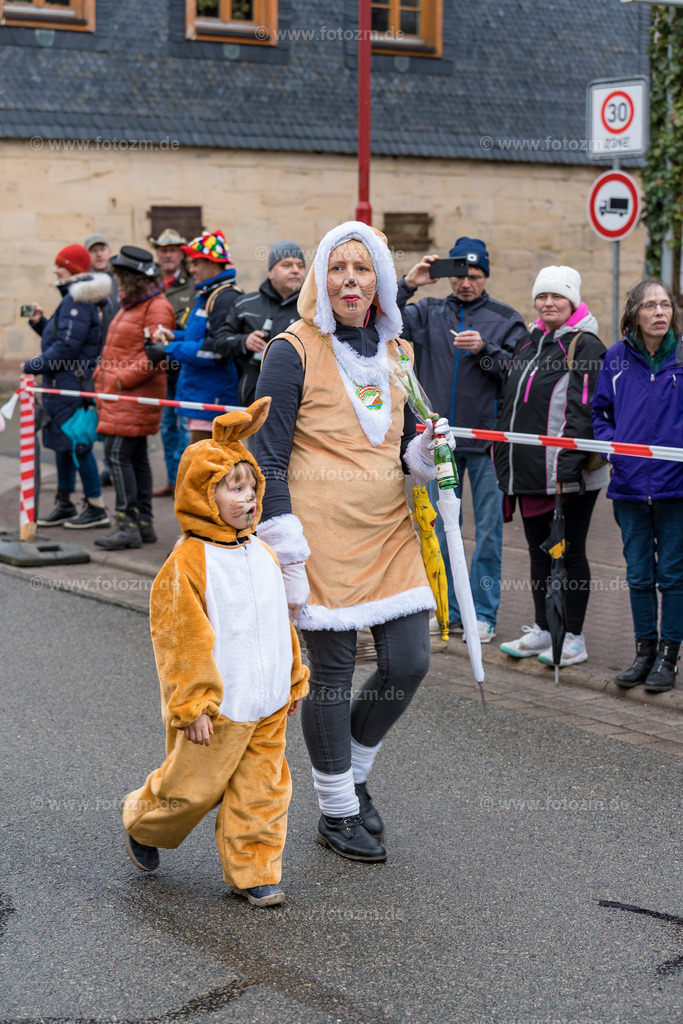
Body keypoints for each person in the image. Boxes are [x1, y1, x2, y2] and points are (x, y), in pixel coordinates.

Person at [254, 221, 454, 863]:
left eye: (362, 269)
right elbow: (267, 454)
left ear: (381, 281)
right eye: (337, 267)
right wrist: (284, 545)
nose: (350, 279)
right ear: (320, 277)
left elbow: (398, 446)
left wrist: (424, 452)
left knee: (409, 663)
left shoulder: (400, 353)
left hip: (391, 530)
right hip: (320, 538)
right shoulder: (291, 351)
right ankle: (337, 808)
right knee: (333, 677)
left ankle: (355, 773)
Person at [122, 399, 309, 908]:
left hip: (268, 703)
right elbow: (179, 641)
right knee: (192, 792)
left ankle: (255, 871)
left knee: (264, 792)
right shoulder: (188, 563)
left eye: (251, 487)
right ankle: (144, 823)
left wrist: (294, 679)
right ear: (203, 494)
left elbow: (279, 624)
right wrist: (192, 706)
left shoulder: (263, 551)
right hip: (218, 709)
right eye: (233, 487)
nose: (246, 498)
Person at [398, 237, 528, 643]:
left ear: (485, 275)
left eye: (474, 276)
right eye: (458, 276)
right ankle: (446, 610)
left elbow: (522, 375)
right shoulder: (429, 312)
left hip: (487, 444)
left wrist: (486, 350)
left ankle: (483, 615)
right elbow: (382, 320)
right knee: (437, 527)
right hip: (439, 442)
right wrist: (408, 283)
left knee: (488, 531)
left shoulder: (506, 319)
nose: (465, 284)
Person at [494, 265, 608, 667]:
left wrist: (567, 470)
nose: (548, 303)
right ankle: (545, 627)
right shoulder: (531, 344)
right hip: (529, 473)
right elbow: (511, 406)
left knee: (569, 553)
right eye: (542, 296)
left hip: (568, 476)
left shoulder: (586, 346)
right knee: (539, 554)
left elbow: (585, 412)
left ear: (573, 301)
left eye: (557, 296)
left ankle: (573, 636)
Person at [592, 277, 683, 693]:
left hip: (675, 488)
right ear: (635, 313)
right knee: (639, 575)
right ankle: (644, 653)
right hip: (629, 486)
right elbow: (600, 414)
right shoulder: (615, 359)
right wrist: (615, 451)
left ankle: (669, 657)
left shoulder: (681, 357)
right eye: (651, 306)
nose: (660, 312)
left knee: (674, 576)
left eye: (666, 305)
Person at [23, 244, 111, 529]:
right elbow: (65, 339)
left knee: (78, 445)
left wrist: (32, 365)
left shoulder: (78, 300)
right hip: (62, 385)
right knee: (63, 445)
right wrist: (41, 324)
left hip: (71, 387)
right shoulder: (74, 299)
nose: (55, 270)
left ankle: (96, 507)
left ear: (73, 269)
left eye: (60, 265)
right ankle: (65, 503)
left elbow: (66, 349)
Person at [93, 246, 173, 550]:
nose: (119, 284)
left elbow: (158, 356)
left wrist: (119, 379)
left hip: (132, 395)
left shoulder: (156, 306)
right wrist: (104, 373)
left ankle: (127, 525)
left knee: (117, 455)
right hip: (122, 395)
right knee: (134, 455)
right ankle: (143, 525)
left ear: (135, 278)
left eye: (123, 277)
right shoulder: (134, 304)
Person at [149, 231, 242, 445]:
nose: (190, 270)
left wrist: (169, 348)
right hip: (201, 397)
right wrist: (174, 335)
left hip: (213, 402)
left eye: (195, 264)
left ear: (212, 264)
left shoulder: (224, 298)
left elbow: (216, 350)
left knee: (206, 471)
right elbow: (198, 336)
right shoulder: (208, 294)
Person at [206, 240, 306, 406]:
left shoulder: (315, 308)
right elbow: (220, 342)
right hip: (253, 399)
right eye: (287, 265)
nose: (296, 270)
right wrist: (244, 341)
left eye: (300, 266)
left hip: (301, 400)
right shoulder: (245, 304)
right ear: (270, 272)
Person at [149, 228, 192, 497]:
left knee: (185, 424)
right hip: (158, 365)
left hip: (183, 363)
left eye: (172, 250)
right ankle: (171, 478)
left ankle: (185, 481)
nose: (167, 255)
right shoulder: (151, 282)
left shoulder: (191, 284)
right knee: (166, 424)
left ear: (180, 255)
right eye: (163, 250)